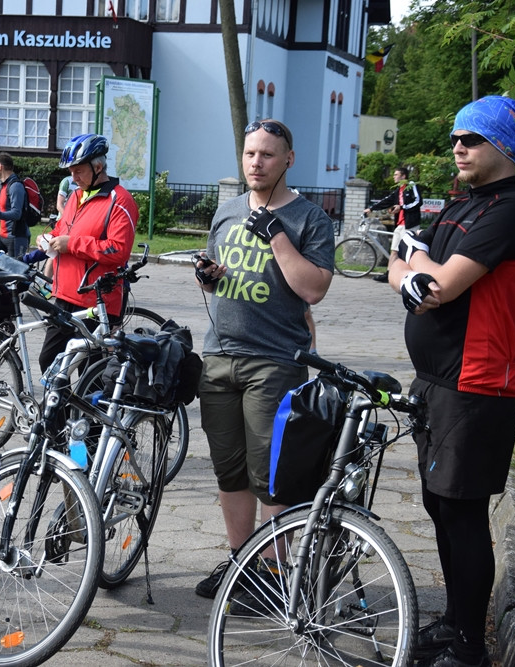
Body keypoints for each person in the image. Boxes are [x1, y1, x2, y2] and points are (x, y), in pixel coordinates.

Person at [387, 96, 515, 667]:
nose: (459, 146)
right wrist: (412, 270)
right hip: (436, 380)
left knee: (463, 511)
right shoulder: (462, 205)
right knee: (438, 505)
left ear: (502, 146)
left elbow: (436, 288)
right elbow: (398, 265)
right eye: (456, 137)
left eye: (472, 138)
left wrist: (416, 273)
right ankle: (454, 622)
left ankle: (470, 647)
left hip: (478, 384)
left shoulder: (513, 210)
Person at [191, 119, 335, 603]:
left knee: (271, 475)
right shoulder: (227, 210)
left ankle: (273, 575)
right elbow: (217, 277)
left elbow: (313, 288)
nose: (257, 163)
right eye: (251, 154)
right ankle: (241, 566)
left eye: (268, 155)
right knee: (229, 471)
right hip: (219, 355)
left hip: (274, 361)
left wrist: (276, 236)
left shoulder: (310, 218)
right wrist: (208, 276)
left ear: (288, 160)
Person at [35, 133, 138, 372]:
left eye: (78, 171)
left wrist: (72, 244)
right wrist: (47, 239)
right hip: (64, 296)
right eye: (70, 171)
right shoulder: (76, 196)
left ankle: (81, 410)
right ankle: (61, 410)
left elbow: (118, 250)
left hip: (96, 300)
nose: (73, 177)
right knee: (49, 364)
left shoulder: (120, 201)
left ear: (98, 166)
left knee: (89, 373)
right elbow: (62, 229)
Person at [364, 165, 423, 282]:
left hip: (410, 224)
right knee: (394, 250)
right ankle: (389, 274)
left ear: (403, 176)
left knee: (408, 251)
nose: (394, 177)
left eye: (396, 175)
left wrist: (402, 207)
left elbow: (418, 201)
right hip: (400, 224)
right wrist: (372, 209)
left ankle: (411, 274)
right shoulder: (398, 190)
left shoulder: (411, 186)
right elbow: (387, 200)